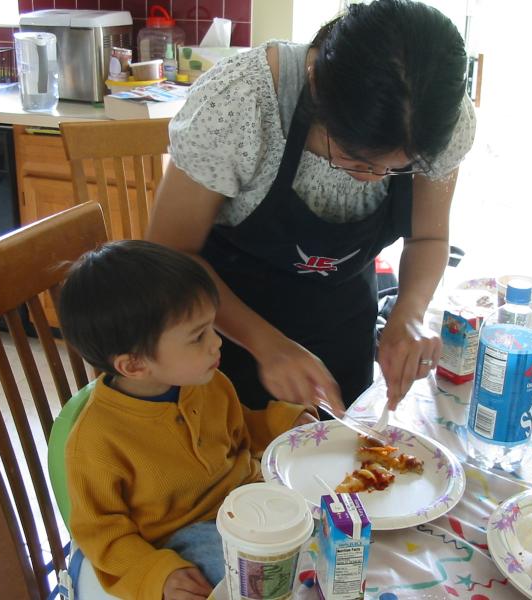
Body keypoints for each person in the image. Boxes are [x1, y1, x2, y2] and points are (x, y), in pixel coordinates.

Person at [146, 0, 476, 415]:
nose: (373, 179)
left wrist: (409, 313)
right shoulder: (240, 103)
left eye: (398, 168)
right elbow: (170, 256)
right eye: (355, 159)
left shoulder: (437, 118)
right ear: (316, 87)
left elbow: (428, 237)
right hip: (217, 331)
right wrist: (266, 344)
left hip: (343, 319)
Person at [58, 240, 312, 599]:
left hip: (250, 498)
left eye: (211, 328)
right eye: (198, 336)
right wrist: (156, 573)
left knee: (326, 533)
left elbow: (238, 426)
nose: (216, 343)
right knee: (257, 585)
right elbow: (101, 533)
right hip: (186, 535)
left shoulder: (206, 382)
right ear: (134, 365)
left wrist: (284, 423)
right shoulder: (95, 441)